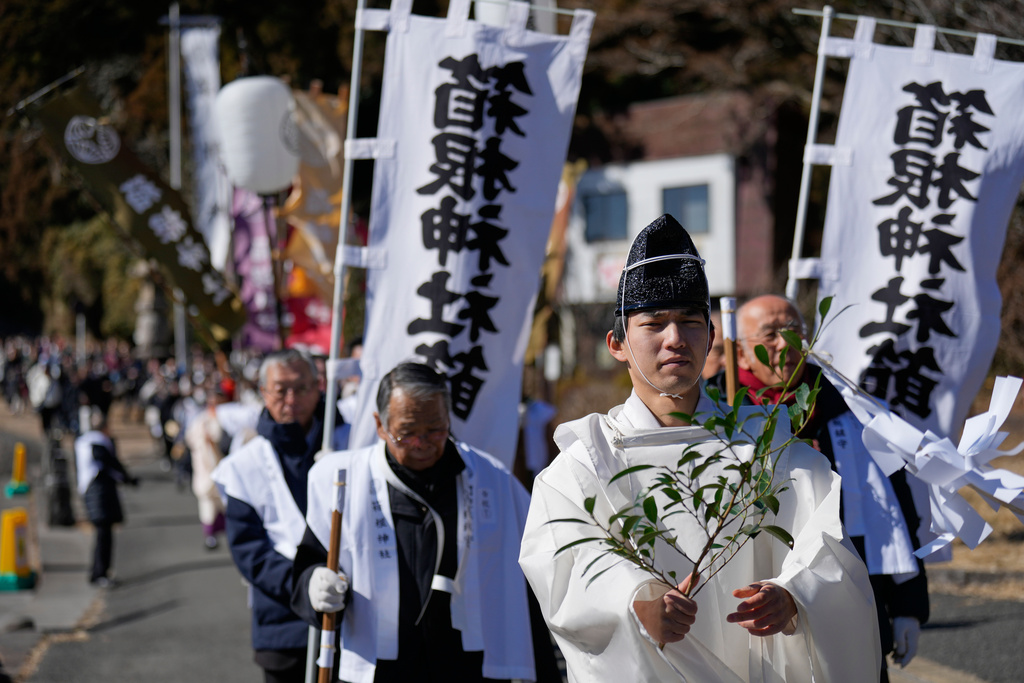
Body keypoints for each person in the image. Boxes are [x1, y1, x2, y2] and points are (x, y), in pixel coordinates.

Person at [519, 214, 880, 682]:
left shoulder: (765, 444)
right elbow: (564, 566)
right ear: (618, 344)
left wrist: (796, 596)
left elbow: (826, 539)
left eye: (691, 322)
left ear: (711, 338)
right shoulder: (586, 462)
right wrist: (636, 603)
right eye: (654, 324)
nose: (675, 340)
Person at [290, 362, 558, 683]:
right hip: (380, 667)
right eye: (406, 433)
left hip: (467, 666)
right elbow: (310, 564)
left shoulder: (492, 480)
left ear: (448, 420)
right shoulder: (344, 483)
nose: (422, 443)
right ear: (380, 425)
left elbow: (529, 579)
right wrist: (315, 586)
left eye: (435, 429)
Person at [728, 294, 929, 681]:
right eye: (769, 334)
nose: (784, 345)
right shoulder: (716, 414)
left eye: (794, 331)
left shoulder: (848, 412)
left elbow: (893, 509)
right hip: (749, 617)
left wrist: (908, 604)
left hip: (844, 603)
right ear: (740, 354)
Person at [212, 349, 327, 683]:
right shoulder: (244, 464)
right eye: (281, 390)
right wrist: (306, 585)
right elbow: (250, 551)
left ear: (318, 387)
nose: (292, 399)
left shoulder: (349, 442)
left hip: (354, 621)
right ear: (263, 392)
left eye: (302, 388)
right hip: (283, 624)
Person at [75, 409, 138, 587]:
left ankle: (99, 572)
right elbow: (108, 461)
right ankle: (100, 573)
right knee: (104, 535)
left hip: (92, 491)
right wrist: (127, 478)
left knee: (103, 534)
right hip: (99, 492)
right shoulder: (97, 441)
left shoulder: (83, 441)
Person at [184, 378, 233, 549]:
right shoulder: (201, 419)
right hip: (205, 467)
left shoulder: (228, 417)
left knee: (228, 502)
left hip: (224, 465)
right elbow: (191, 438)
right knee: (207, 502)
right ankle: (210, 536)